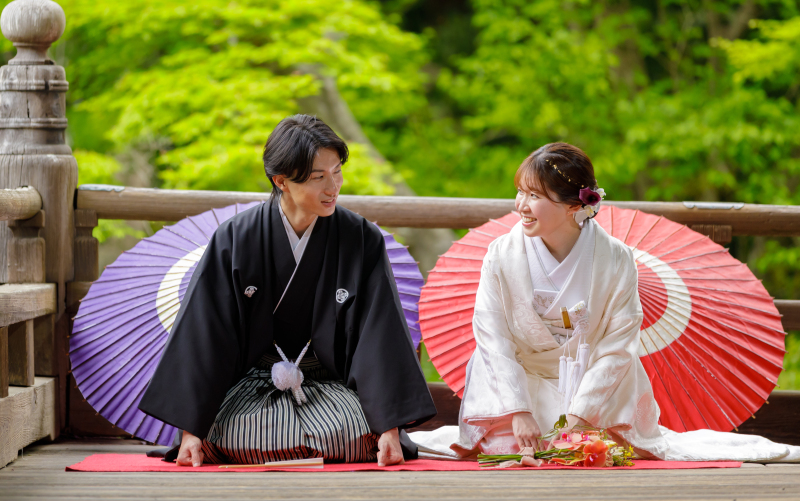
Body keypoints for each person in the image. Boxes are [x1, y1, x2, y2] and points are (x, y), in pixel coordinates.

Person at [410, 142, 800, 463]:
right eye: (520, 192)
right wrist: (519, 410)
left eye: (533, 195)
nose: (520, 205)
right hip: (519, 379)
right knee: (518, 445)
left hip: (588, 380)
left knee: (581, 445)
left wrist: (580, 416)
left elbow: (617, 345)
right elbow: (492, 336)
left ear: (574, 206)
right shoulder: (502, 253)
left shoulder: (616, 259)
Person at [140, 115, 436, 467]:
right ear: (281, 180)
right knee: (235, 431)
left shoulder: (360, 239)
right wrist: (192, 430)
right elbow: (206, 334)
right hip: (255, 385)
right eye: (318, 177)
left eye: (337, 171)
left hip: (329, 385)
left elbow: (378, 334)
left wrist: (388, 426)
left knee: (355, 430)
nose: (333, 187)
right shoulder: (236, 239)